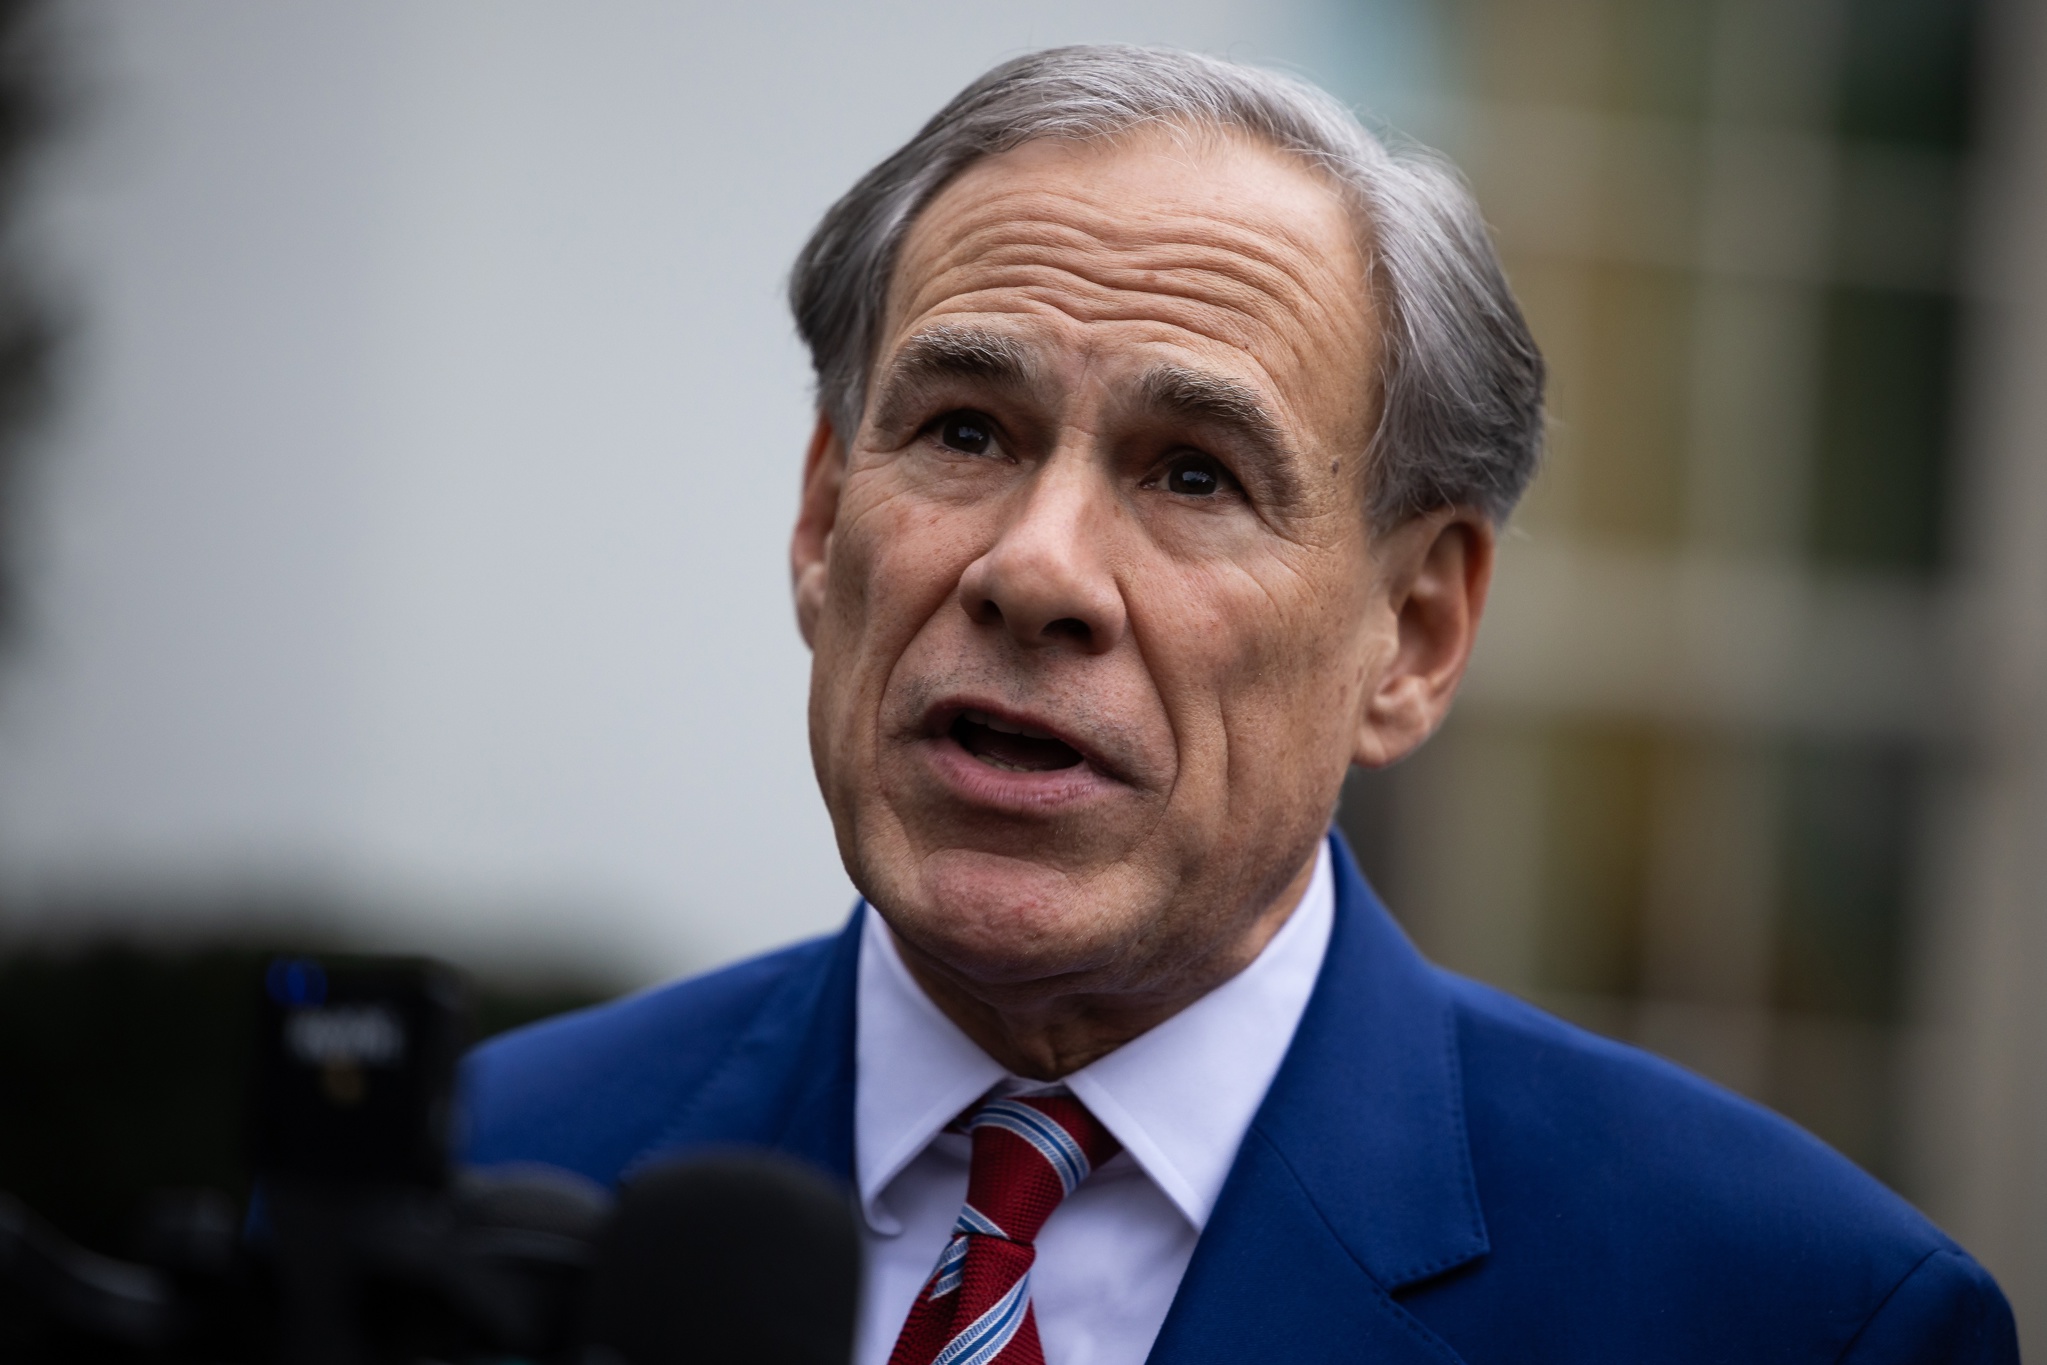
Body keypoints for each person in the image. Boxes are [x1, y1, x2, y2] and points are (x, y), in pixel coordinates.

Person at [459, 45, 2017, 1365]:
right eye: (965, 430)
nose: (1035, 569)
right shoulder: (474, 1175)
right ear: (820, 519)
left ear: (1412, 634)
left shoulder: (1799, 1314)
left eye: (1195, 473)